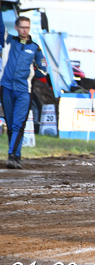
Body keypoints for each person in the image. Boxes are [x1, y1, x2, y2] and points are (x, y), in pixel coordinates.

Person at [2, 17, 47, 169]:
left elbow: (43, 71)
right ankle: (17, 156)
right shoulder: (9, 41)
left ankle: (12, 156)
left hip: (23, 91)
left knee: (18, 124)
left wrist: (34, 72)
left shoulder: (35, 48)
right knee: (10, 124)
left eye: (27, 27)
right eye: (22, 27)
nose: (24, 30)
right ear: (16, 27)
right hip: (6, 88)